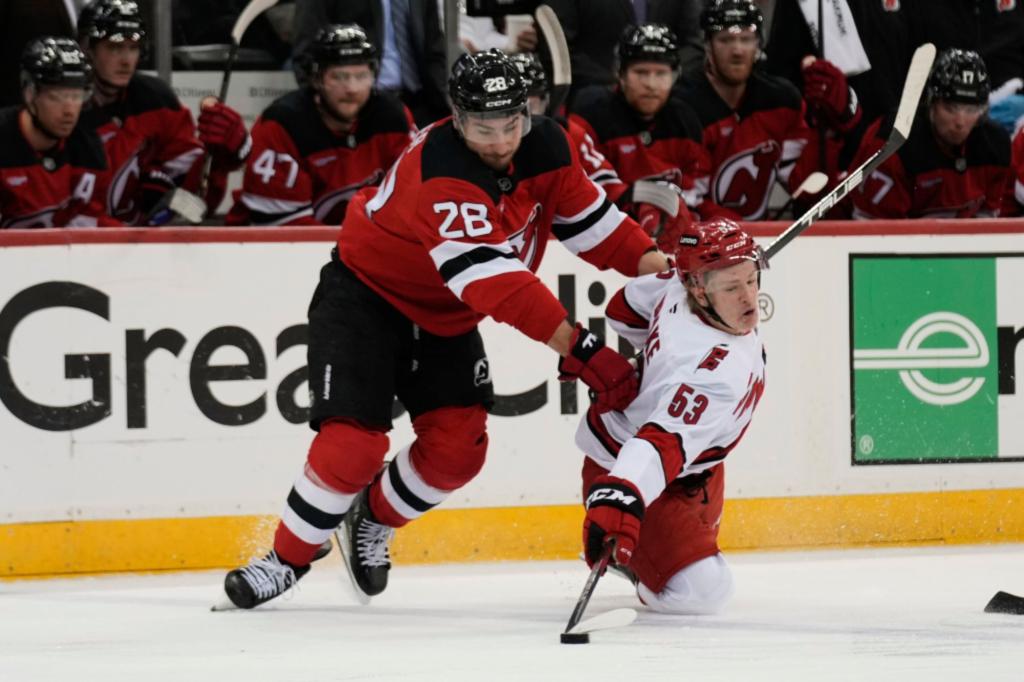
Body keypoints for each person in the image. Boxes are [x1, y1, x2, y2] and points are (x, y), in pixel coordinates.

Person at [222, 49, 677, 610]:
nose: (500, 140)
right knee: (353, 446)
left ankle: (371, 518)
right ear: (457, 119)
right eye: (483, 127)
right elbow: (498, 285)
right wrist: (584, 350)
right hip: (365, 298)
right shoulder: (439, 170)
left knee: (458, 452)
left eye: (510, 123)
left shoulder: (548, 147)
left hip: (443, 317)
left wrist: (673, 273)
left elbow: (602, 231)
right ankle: (285, 559)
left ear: (527, 113)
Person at [574, 217, 767, 615]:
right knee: (704, 591)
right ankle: (638, 572)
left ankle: (653, 557)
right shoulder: (714, 373)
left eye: (751, 280)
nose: (749, 298)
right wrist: (622, 495)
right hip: (624, 465)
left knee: (696, 559)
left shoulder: (675, 289)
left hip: (697, 468)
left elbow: (622, 309)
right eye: (732, 287)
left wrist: (659, 367)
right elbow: (659, 444)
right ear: (699, 289)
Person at [76, 0, 249, 225]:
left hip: (136, 241)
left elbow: (193, 202)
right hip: (75, 241)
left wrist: (219, 159)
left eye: (133, 47)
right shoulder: (65, 110)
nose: (126, 61)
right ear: (87, 49)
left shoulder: (155, 99)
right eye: (115, 48)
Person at [226, 24, 415, 226]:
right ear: (317, 79)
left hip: (359, 239)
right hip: (275, 243)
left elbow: (414, 198)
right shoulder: (282, 125)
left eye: (361, 76)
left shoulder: (393, 117)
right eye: (339, 77)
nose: (352, 89)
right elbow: (284, 229)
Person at [568, 25, 711, 248]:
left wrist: (678, 220)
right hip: (603, 238)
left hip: (672, 240)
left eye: (661, 74)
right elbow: (579, 190)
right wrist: (638, 205)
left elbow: (696, 191)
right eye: (641, 72)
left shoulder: (685, 120)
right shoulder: (591, 115)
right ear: (620, 73)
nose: (651, 84)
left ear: (675, 76)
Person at [684, 0, 816, 221]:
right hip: (701, 235)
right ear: (707, 45)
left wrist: (831, 129)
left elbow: (804, 184)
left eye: (746, 39)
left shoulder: (781, 100)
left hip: (759, 236)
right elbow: (687, 200)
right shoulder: (684, 107)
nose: (737, 50)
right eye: (726, 39)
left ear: (758, 45)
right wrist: (738, 231)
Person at [850, 49, 1012, 220]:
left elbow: (987, 221)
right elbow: (875, 229)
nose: (960, 122)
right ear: (931, 102)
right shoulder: (893, 144)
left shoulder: (996, 146)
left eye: (971, 109)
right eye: (950, 108)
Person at [0, 37, 118, 228]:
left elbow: (91, 222)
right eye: (56, 97)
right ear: (30, 94)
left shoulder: (87, 146)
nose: (69, 110)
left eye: (77, 96)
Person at [291, 0, 448, 127]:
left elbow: (434, 48)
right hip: (356, 109)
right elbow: (307, 52)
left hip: (421, 106)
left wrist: (445, 102)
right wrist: (320, 114)